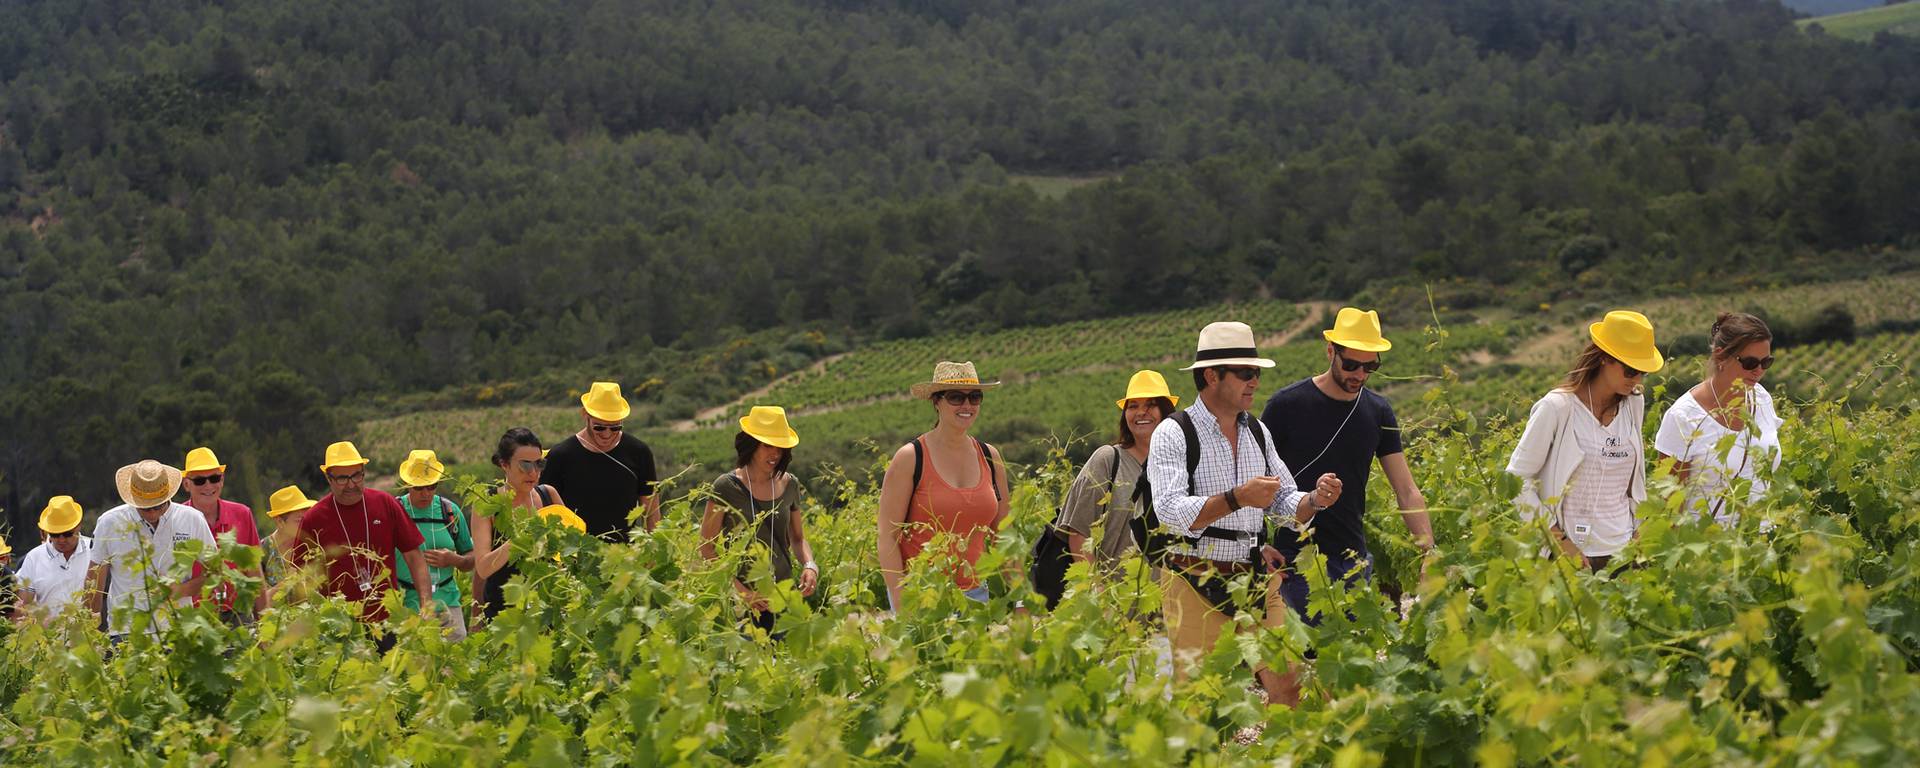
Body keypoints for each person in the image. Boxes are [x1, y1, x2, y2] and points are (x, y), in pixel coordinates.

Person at [1146, 321, 1341, 707]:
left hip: (1253, 580)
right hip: (1192, 581)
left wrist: (1315, 500)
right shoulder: (1173, 433)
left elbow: (1283, 502)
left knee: (1291, 687)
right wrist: (1237, 498)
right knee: (1200, 702)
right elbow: (1168, 511)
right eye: (1246, 373)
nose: (1254, 382)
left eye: (1256, 373)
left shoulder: (1258, 432)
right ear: (1211, 376)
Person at [1259, 308, 1433, 623]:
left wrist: (1428, 551)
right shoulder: (1286, 406)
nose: (1360, 375)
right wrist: (1257, 546)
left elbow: (1406, 490)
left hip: (1353, 558)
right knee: (1304, 662)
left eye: (1370, 366)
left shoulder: (1379, 412)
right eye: (1351, 364)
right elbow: (1254, 481)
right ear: (1330, 352)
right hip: (1295, 560)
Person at [1507, 311, 1663, 571]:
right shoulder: (1558, 408)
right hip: (1572, 557)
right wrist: (1560, 542)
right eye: (1631, 370)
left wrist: (1640, 534)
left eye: (1642, 373)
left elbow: (1631, 483)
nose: (1637, 381)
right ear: (1604, 358)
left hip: (1626, 553)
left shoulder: (1633, 403)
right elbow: (1516, 479)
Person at [877, 361, 1011, 611]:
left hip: (975, 597)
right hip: (921, 597)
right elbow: (887, 539)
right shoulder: (910, 458)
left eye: (975, 397)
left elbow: (1004, 536)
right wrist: (902, 604)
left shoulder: (990, 457)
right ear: (936, 402)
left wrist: (1021, 597)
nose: (967, 405)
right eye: (956, 397)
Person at [1036, 370, 1178, 606]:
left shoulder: (1177, 467)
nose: (1141, 412)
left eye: (1151, 405)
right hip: (1111, 607)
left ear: (1165, 412)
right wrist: (1098, 595)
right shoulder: (1108, 460)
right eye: (1133, 406)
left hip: (1163, 610)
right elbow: (1078, 536)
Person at [294, 442, 433, 641]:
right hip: (337, 629)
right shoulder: (314, 518)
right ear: (328, 478)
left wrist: (426, 605)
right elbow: (301, 577)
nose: (351, 484)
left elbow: (414, 556)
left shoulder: (385, 503)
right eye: (342, 478)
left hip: (387, 622)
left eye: (357, 475)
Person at [700, 406, 818, 634]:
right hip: (741, 605)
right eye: (767, 445)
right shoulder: (726, 487)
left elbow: (798, 538)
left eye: (780, 447)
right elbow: (707, 549)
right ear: (751, 444)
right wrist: (741, 592)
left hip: (783, 596)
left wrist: (810, 565)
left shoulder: (790, 484)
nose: (775, 453)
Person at [1656, 312, 1782, 525]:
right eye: (1750, 362)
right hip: (1710, 549)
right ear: (1720, 355)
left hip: (1761, 543)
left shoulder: (1761, 398)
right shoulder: (1684, 417)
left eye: (1766, 362)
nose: (1759, 371)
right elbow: (1671, 509)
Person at [88, 460, 216, 639]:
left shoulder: (192, 519)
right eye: (146, 508)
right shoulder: (110, 522)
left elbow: (214, 571)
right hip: (127, 631)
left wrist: (181, 590)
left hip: (177, 629)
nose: (153, 513)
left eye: (159, 506)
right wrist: (89, 629)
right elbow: (94, 578)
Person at [541, 382, 660, 541]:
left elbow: (651, 512)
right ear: (585, 415)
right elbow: (545, 511)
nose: (607, 434)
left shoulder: (639, 452)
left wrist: (654, 555)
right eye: (599, 428)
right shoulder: (560, 456)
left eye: (615, 427)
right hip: (574, 556)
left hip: (624, 557)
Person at [473, 428, 566, 623]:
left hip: (549, 613)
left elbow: (570, 549)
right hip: (504, 617)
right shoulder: (487, 503)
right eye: (525, 465)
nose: (533, 472)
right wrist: (519, 540)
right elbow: (482, 568)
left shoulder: (549, 495)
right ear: (504, 464)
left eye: (539, 464)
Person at [394, 450, 475, 639]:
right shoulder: (395, 511)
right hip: (405, 603)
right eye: (419, 487)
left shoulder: (449, 511)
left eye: (431, 486)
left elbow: (471, 558)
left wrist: (453, 559)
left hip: (446, 598)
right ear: (408, 484)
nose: (425, 493)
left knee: (453, 657)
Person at [181, 447, 268, 621]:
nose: (208, 486)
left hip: (238, 615)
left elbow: (254, 572)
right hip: (193, 618)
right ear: (186, 484)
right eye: (200, 481)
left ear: (222, 480)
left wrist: (265, 624)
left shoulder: (242, 514)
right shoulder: (177, 521)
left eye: (214, 478)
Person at [15, 496, 94, 622]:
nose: (61, 540)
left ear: (78, 526)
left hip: (89, 637)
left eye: (67, 533)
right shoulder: (34, 558)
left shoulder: (94, 550)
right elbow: (24, 607)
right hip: (49, 638)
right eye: (55, 534)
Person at [262, 485, 317, 601]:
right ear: (279, 522)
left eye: (307, 518)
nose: (306, 524)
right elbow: (257, 604)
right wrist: (286, 583)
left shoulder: (314, 544)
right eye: (299, 520)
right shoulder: (263, 550)